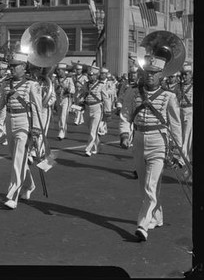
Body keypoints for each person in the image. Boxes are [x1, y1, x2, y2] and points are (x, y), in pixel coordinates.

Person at [119, 55, 182, 242]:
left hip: (158, 142)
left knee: (150, 185)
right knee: (144, 185)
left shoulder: (169, 96)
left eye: (154, 73)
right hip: (138, 140)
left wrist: (178, 153)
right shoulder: (132, 92)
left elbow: (176, 125)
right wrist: (124, 134)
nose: (150, 76)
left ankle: (142, 225)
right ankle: (157, 216)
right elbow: (125, 115)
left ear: (160, 75)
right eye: (147, 72)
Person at [0, 52, 44, 209]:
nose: (12, 68)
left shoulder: (32, 85)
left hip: (25, 122)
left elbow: (38, 108)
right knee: (16, 158)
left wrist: (36, 129)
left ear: (23, 67)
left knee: (18, 159)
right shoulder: (5, 83)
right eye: (11, 65)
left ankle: (13, 195)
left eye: (15, 65)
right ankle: (29, 185)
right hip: (10, 120)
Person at [82, 65, 109, 156]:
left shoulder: (101, 85)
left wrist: (107, 111)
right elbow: (83, 95)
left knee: (93, 130)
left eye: (93, 75)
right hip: (87, 108)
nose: (91, 77)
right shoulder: (85, 84)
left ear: (96, 75)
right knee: (90, 129)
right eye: (89, 75)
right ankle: (98, 146)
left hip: (97, 108)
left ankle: (88, 149)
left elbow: (106, 98)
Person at [176, 62, 192, 173]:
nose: (184, 76)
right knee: (180, 135)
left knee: (186, 136)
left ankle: (182, 159)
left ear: (191, 74)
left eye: (187, 74)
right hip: (180, 111)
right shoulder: (179, 86)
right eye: (183, 74)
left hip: (190, 112)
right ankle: (185, 157)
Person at [54, 62, 75, 140]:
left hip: (66, 99)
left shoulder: (69, 79)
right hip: (58, 98)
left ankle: (61, 132)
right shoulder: (56, 79)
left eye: (59, 70)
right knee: (59, 117)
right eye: (57, 70)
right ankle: (62, 130)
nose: (58, 72)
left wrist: (65, 87)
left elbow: (73, 90)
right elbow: (54, 89)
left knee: (63, 116)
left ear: (63, 70)